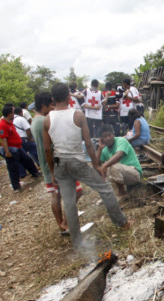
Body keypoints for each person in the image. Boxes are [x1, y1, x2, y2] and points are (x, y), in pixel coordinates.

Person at [43, 82, 131, 248]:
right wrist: (96, 165)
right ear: (69, 97)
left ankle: (77, 242)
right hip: (76, 160)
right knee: (105, 188)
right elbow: (89, 144)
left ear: (53, 99)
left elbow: (48, 149)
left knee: (68, 201)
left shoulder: (47, 120)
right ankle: (122, 223)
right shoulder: (77, 115)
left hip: (60, 163)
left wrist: (53, 172)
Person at [31, 91, 84, 233]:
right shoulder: (45, 121)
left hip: (48, 163)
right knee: (76, 192)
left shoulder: (35, 120)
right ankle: (65, 222)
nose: (54, 108)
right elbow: (50, 147)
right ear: (44, 106)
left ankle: (62, 224)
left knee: (57, 194)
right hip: (56, 163)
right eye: (51, 105)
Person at [0, 104, 40, 191]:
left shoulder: (10, 122)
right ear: (9, 114)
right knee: (13, 168)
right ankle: (16, 186)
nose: (14, 114)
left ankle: (35, 173)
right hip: (11, 149)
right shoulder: (2, 125)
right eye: (12, 112)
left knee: (27, 160)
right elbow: (3, 139)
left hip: (18, 147)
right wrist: (7, 151)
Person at [97, 125, 142, 199]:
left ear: (113, 134)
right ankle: (107, 196)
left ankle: (122, 193)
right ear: (101, 139)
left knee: (111, 165)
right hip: (123, 174)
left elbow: (119, 155)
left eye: (109, 135)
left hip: (134, 173)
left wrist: (105, 166)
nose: (108, 138)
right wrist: (99, 149)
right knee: (100, 170)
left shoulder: (121, 140)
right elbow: (97, 164)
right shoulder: (105, 149)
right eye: (105, 137)